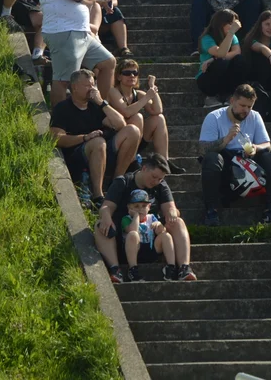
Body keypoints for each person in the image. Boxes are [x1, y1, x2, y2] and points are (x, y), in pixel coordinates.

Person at [39, 0, 115, 106]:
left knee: (108, 62)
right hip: (64, 31)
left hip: (82, 32)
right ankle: (58, 123)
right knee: (64, 80)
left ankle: (98, 109)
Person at [95, 154, 195, 283]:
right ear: (144, 168)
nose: (156, 181)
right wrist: (106, 217)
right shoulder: (123, 182)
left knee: (178, 222)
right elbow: (106, 207)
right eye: (154, 177)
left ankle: (184, 268)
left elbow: (172, 209)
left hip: (152, 241)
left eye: (160, 179)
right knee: (100, 224)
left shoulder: (160, 185)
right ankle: (116, 269)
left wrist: (172, 212)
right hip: (125, 239)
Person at [50, 69, 142, 208]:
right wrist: (85, 138)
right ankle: (98, 195)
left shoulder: (96, 105)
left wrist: (102, 103)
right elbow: (57, 138)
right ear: (75, 87)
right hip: (78, 153)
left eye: (93, 85)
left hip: (103, 150)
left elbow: (120, 124)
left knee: (132, 131)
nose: (91, 89)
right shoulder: (62, 108)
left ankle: (116, 182)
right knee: (98, 142)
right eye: (87, 86)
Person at [198, 84, 271, 226]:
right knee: (212, 159)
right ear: (232, 101)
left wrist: (256, 148)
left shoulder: (255, 117)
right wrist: (226, 139)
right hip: (226, 164)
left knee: (270, 158)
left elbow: (267, 144)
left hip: (248, 161)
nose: (246, 111)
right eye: (242, 105)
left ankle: (270, 209)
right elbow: (203, 149)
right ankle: (211, 210)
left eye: (250, 106)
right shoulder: (214, 117)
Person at [109, 58, 183, 174]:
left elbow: (157, 110)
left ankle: (164, 162)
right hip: (121, 139)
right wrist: (147, 97)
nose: (131, 76)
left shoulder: (138, 94)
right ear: (119, 77)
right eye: (127, 73)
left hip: (137, 138)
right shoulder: (113, 92)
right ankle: (132, 160)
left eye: (135, 73)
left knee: (159, 119)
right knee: (137, 117)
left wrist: (152, 88)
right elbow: (126, 112)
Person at [115, 188, 176, 282]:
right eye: (136, 206)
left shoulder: (151, 217)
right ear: (129, 208)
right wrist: (136, 216)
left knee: (166, 236)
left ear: (149, 207)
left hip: (151, 248)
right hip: (135, 251)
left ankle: (171, 267)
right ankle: (133, 269)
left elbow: (161, 232)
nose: (140, 209)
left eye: (144, 206)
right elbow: (133, 230)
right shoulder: (126, 219)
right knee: (133, 235)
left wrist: (158, 225)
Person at [196, 9, 250, 106]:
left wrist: (213, 59)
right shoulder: (207, 38)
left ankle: (231, 96)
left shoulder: (232, 37)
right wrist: (231, 33)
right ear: (221, 23)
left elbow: (237, 52)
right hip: (206, 78)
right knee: (221, 62)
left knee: (240, 60)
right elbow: (220, 53)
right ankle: (211, 97)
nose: (233, 26)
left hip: (225, 78)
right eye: (230, 23)